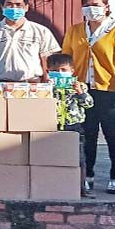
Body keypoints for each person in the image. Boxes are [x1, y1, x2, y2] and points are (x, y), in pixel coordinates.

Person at [62, 0, 115, 195]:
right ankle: (88, 175)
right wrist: (66, 84)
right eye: (87, 5)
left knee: (114, 135)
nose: (92, 9)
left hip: (110, 91)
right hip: (81, 90)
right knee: (87, 134)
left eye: (96, 4)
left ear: (106, 7)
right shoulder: (75, 30)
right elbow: (66, 58)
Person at [0, 0, 61, 82]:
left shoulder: (41, 31)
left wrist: (45, 81)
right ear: (2, 7)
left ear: (26, 8)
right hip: (0, 84)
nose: (14, 8)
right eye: (9, 4)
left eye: (18, 5)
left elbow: (46, 59)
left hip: (33, 83)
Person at [46, 53, 94, 198]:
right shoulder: (47, 88)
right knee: (53, 157)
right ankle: (54, 186)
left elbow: (89, 104)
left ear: (72, 71)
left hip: (74, 126)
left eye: (63, 70)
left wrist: (80, 93)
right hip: (52, 127)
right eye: (55, 70)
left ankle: (81, 187)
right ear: (48, 71)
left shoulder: (80, 87)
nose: (60, 73)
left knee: (78, 159)